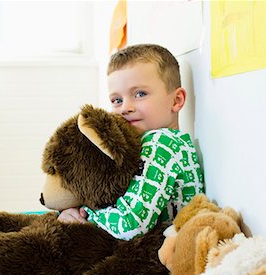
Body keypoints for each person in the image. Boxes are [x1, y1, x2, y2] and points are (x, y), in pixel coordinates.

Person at [58, 44, 204, 240]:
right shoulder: (146, 143)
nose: (125, 108)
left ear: (176, 100)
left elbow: (131, 224)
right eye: (116, 100)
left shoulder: (163, 143)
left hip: (157, 255)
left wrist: (87, 212)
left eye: (140, 94)